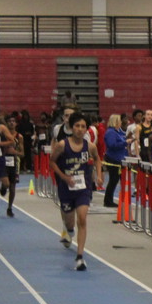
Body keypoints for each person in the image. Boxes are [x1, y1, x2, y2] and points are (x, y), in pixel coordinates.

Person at [51, 112, 99, 271]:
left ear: (86, 129)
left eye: (83, 126)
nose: (80, 129)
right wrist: (64, 177)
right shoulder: (62, 145)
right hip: (66, 188)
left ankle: (79, 256)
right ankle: (69, 230)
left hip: (83, 188)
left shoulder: (90, 146)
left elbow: (97, 159)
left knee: (82, 219)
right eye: (77, 126)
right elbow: (52, 162)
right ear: (72, 128)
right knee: (70, 222)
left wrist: (99, 175)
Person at [102, 114, 127, 208]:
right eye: (119, 121)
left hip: (118, 158)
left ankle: (110, 200)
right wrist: (125, 143)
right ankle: (108, 201)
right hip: (113, 159)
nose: (121, 122)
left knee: (115, 180)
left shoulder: (117, 132)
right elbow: (112, 145)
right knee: (113, 180)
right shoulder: (111, 132)